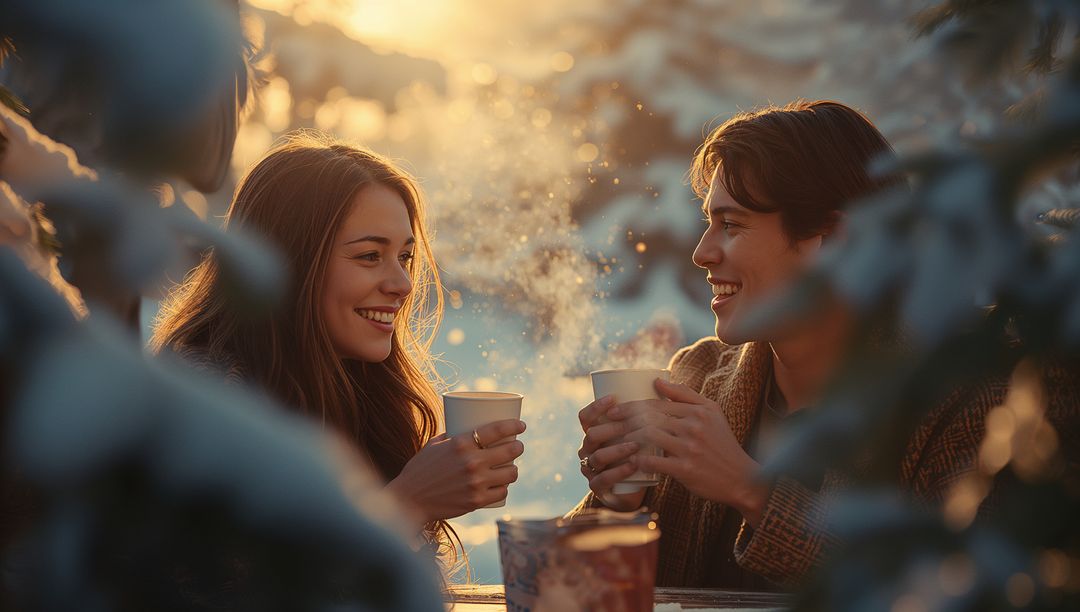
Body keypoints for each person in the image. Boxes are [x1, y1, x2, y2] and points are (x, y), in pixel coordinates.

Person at [571, 100, 1078, 589]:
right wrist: (620, 503)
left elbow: (959, 591)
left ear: (833, 239)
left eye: (732, 224)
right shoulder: (698, 377)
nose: (702, 253)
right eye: (709, 223)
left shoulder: (980, 392)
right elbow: (572, 589)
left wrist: (751, 491)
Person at [151, 133, 525, 559]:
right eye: (369, 256)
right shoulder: (202, 401)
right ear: (289, 263)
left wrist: (610, 495)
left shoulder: (361, 395)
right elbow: (216, 588)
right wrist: (404, 506)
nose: (402, 285)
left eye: (404, 257)